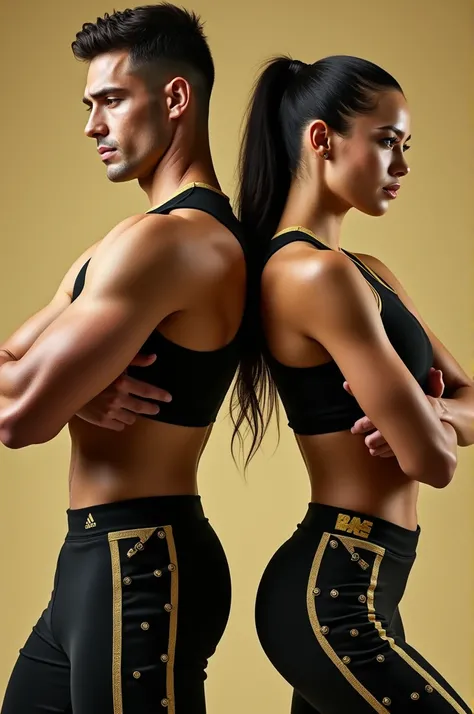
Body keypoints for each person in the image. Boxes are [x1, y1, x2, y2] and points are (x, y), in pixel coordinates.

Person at [0, 5, 248, 713]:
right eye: (89, 104)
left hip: (141, 562)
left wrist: (51, 388)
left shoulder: (171, 244)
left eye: (111, 99)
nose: (91, 125)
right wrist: (77, 391)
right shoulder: (123, 242)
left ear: (175, 99)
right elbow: (17, 375)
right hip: (92, 561)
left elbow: (17, 415)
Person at [232, 54, 474, 713]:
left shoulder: (367, 270)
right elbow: (434, 462)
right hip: (333, 598)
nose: (402, 166)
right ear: (321, 138)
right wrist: (436, 422)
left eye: (406, 146)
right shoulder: (312, 275)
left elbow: (464, 404)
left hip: (368, 586)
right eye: (386, 142)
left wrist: (428, 412)